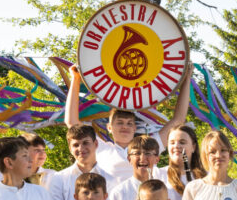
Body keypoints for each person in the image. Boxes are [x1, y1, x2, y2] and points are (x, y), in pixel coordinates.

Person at [64, 65, 192, 183]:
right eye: (120, 123)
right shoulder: (101, 148)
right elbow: (71, 122)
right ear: (109, 127)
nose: (125, 126)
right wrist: (76, 79)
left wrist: (186, 79)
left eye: (129, 123)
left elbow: (178, 120)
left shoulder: (149, 147)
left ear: (135, 128)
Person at [106, 135, 164, 200]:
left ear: (157, 159)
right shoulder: (118, 193)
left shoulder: (166, 192)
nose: (142, 158)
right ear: (129, 159)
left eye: (148, 153)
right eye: (137, 153)